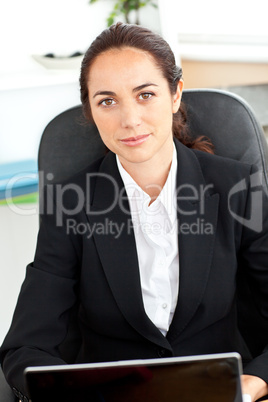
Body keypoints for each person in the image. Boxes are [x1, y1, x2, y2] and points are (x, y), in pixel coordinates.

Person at [1, 22, 268, 401]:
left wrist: (253, 383)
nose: (129, 119)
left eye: (145, 94)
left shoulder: (238, 187)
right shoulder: (69, 202)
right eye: (107, 101)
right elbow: (25, 347)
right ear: (91, 111)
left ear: (175, 94)